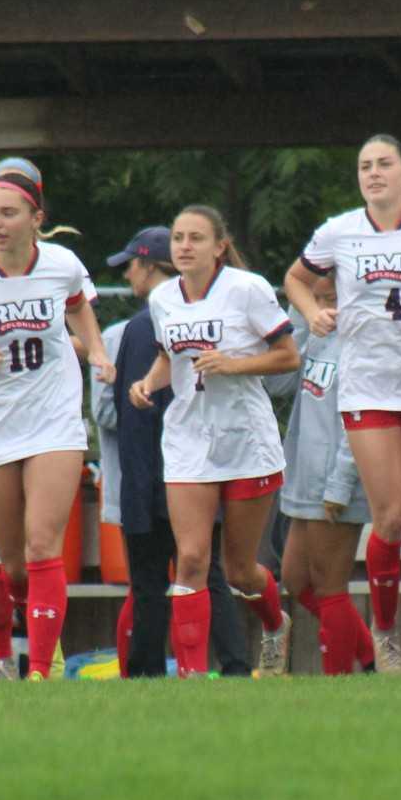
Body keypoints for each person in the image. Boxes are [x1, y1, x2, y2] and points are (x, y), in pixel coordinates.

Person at [284, 134, 401, 672]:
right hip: (367, 386)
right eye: (365, 166)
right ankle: (387, 634)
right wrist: (312, 311)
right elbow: (296, 279)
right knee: (389, 517)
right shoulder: (339, 231)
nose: (374, 174)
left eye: (384, 164)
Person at [0, 160, 113, 681]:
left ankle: (40, 672)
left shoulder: (61, 264)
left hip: (53, 418)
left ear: (37, 217)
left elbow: (79, 307)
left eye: (8, 213)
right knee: (11, 563)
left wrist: (97, 352)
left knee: (41, 546)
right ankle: (7, 655)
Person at [131, 206, 299, 677]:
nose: (184, 246)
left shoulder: (248, 290)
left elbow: (288, 356)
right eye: (179, 238)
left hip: (246, 440)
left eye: (196, 238)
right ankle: (190, 677)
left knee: (241, 569)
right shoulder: (163, 298)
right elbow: (171, 359)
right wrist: (148, 384)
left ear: (219, 246)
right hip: (188, 440)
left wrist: (233, 364)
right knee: (190, 558)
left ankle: (274, 623)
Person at [102, 224, 252, 679]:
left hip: (160, 474)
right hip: (205, 467)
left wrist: (138, 493)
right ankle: (235, 667)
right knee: (208, 575)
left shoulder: (147, 322)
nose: (127, 274)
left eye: (131, 264)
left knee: (151, 585)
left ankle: (147, 674)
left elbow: (135, 415)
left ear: (151, 266)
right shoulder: (218, 311)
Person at [276, 278, 378, 676]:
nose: (324, 306)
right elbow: (278, 383)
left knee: (329, 585)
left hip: (339, 481)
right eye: (316, 299)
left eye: (332, 298)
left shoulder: (363, 343)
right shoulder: (317, 334)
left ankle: (339, 680)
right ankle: (370, 656)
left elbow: (362, 421)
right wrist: (301, 320)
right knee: (295, 578)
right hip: (304, 476)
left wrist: (340, 484)